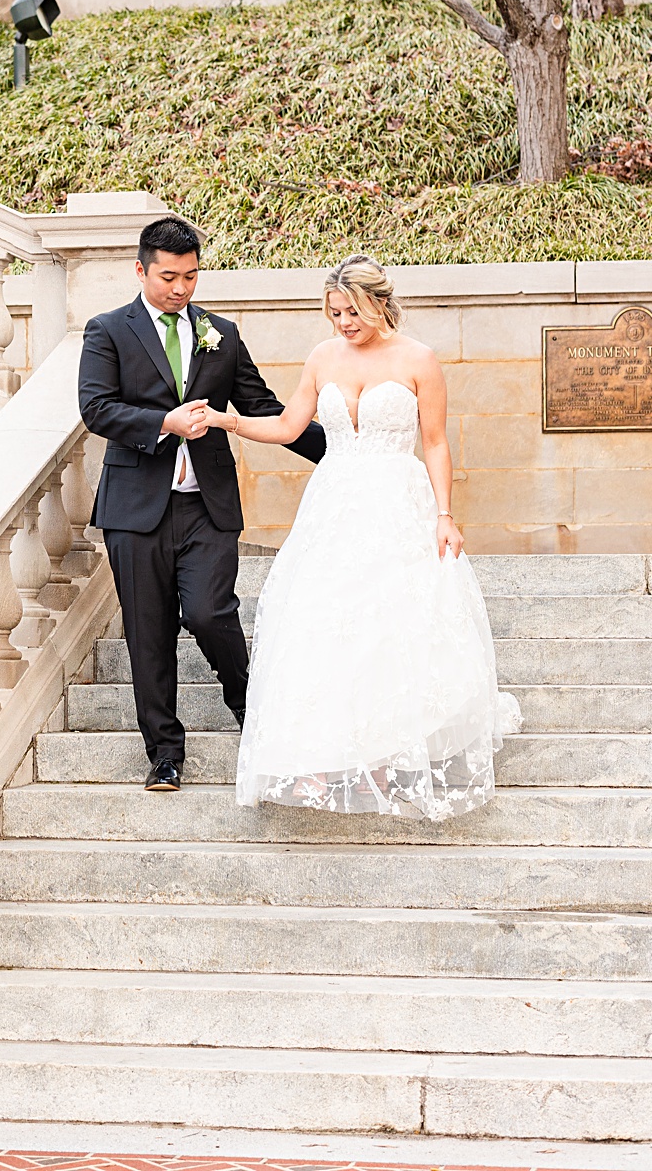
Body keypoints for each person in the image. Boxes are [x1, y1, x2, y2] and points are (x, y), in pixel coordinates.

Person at [199, 253, 521, 821]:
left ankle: (379, 756)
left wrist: (445, 514)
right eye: (334, 313)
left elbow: (437, 443)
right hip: (335, 502)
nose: (343, 322)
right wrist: (228, 421)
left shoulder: (419, 359)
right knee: (322, 622)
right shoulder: (323, 357)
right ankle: (321, 760)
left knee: (386, 625)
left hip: (398, 500)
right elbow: (287, 426)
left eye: (351, 311)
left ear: (378, 302)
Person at [78, 216, 326, 791]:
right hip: (136, 508)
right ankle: (164, 752)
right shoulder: (108, 330)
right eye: (169, 276)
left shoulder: (223, 333)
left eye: (191, 276)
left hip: (206, 506)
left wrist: (339, 452)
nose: (182, 288)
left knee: (212, 613)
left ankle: (252, 713)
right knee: (148, 631)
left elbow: (264, 407)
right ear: (141, 270)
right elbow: (96, 408)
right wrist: (163, 421)